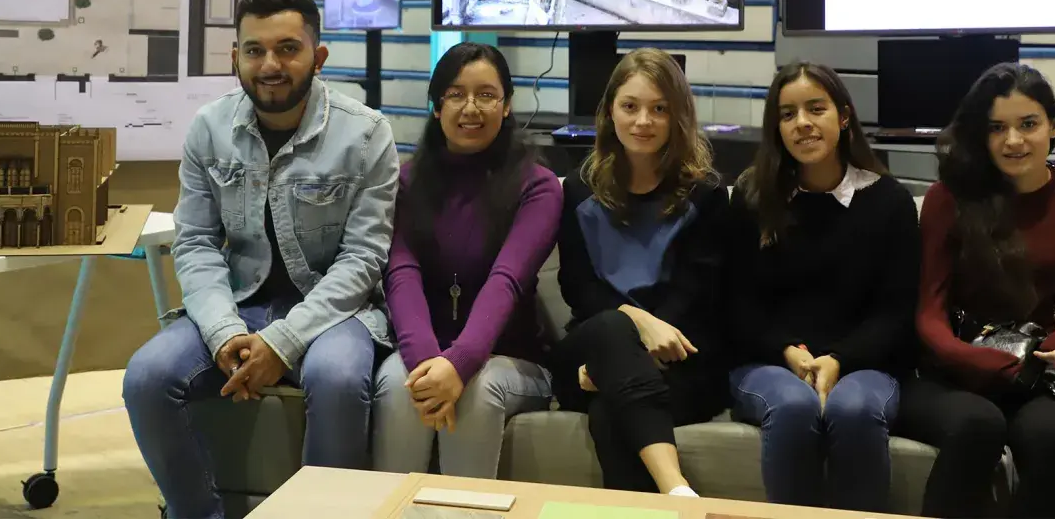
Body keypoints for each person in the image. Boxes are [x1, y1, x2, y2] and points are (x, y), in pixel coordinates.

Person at [122, 0, 400, 519]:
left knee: (338, 379)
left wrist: (284, 341)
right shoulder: (210, 128)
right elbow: (196, 242)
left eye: (288, 49)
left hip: (334, 312)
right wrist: (223, 330)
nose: (270, 65)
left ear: (318, 56)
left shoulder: (367, 134)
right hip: (238, 302)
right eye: (255, 50)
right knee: (147, 377)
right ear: (236, 58)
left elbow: (364, 259)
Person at [897, 62, 1055, 519]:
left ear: (1053, 126)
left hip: (1031, 373)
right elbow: (929, 313)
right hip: (947, 373)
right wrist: (979, 360)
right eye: (996, 128)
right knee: (978, 426)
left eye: (1028, 124)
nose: (1013, 141)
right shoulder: (949, 197)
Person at [726, 62, 920, 512]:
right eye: (788, 114)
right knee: (794, 406)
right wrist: (788, 352)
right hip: (770, 362)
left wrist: (839, 359)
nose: (802, 123)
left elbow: (895, 311)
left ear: (844, 116)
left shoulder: (889, 201)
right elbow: (737, 303)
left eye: (816, 109)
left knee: (852, 410)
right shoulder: (753, 197)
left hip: (866, 364)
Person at [371, 43, 561, 477]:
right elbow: (401, 274)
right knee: (401, 386)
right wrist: (427, 364)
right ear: (437, 107)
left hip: (511, 358)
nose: (471, 108)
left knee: (477, 388)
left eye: (486, 95)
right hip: (423, 349)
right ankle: (393, 507)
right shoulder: (405, 182)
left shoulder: (539, 186)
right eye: (455, 94)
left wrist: (458, 365)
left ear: (507, 105)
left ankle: (464, 507)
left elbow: (506, 281)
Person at [550, 48, 732, 497]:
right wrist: (636, 323)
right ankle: (679, 495)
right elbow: (578, 288)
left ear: (678, 116)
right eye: (630, 106)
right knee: (612, 325)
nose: (643, 121)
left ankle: (672, 497)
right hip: (592, 346)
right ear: (610, 111)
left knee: (609, 411)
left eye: (659, 109)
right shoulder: (578, 189)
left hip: (683, 357)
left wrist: (627, 360)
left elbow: (699, 291)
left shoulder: (705, 193)